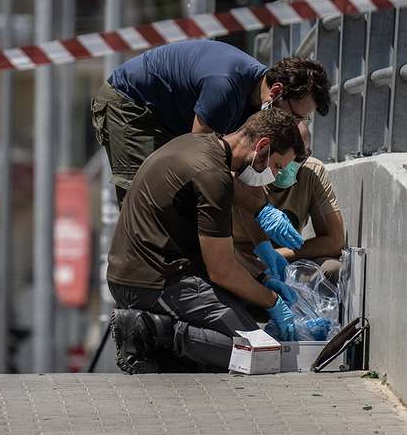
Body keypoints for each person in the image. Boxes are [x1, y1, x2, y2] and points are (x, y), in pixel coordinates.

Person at [106, 108, 305, 373]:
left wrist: (263, 280)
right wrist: (271, 300)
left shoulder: (198, 144)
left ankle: (172, 347)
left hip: (152, 269)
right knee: (260, 354)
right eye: (276, 166)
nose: (274, 175)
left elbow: (217, 251)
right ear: (263, 146)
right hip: (150, 281)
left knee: (250, 306)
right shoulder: (213, 176)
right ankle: (151, 331)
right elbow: (221, 270)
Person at [90, 40, 331, 252]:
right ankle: (139, 281)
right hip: (132, 105)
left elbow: (243, 175)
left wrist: (262, 245)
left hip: (170, 117)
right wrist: (261, 210)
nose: (295, 124)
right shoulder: (225, 88)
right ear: (277, 92)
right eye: (296, 116)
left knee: (181, 202)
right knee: (147, 200)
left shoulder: (258, 101)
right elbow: (202, 165)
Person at [234, 123, 345, 284]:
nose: (288, 164)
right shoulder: (244, 171)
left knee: (332, 269)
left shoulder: (311, 172)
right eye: (283, 158)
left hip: (286, 259)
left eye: (299, 157)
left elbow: (334, 241)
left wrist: (275, 255)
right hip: (241, 261)